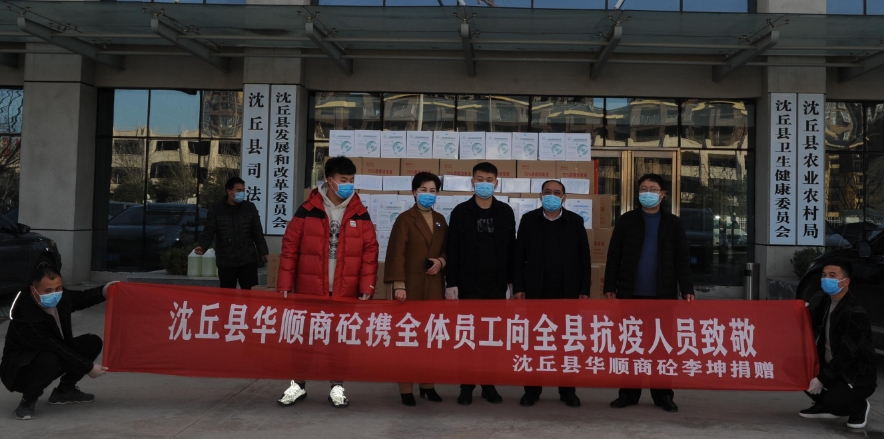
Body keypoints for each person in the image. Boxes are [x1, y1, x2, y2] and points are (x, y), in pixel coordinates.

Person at [275, 156, 379, 408]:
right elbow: (290, 247)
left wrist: (366, 286)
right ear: (329, 180)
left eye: (351, 180)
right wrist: (285, 283)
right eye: (344, 180)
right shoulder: (307, 209)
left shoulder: (360, 212)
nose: (348, 185)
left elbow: (370, 251)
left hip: (344, 289)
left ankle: (337, 386)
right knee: (302, 339)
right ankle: (297, 385)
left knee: (339, 341)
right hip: (310, 288)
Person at [604, 173, 694, 413]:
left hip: (662, 296)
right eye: (643, 189)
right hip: (630, 294)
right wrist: (610, 286)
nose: (647, 193)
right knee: (630, 346)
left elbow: (682, 259)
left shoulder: (673, 223)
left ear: (662, 194)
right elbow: (614, 256)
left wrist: (687, 288)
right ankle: (628, 394)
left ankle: (663, 395)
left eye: (652, 189)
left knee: (661, 348)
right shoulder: (626, 221)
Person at [1, 265, 118, 420]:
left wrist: (104, 291)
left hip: (52, 353)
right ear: (33, 290)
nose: (54, 294)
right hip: (20, 370)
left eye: (58, 288)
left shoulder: (61, 297)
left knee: (92, 342)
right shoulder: (26, 318)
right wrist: (88, 367)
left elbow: (80, 299)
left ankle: (64, 391)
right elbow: (56, 347)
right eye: (48, 291)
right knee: (50, 357)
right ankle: (28, 401)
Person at [512, 180, 591, 408]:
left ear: (564, 197)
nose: (552, 196)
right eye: (548, 192)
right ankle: (532, 390)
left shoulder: (575, 221)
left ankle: (567, 390)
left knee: (567, 342)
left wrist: (584, 290)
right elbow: (518, 257)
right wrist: (519, 287)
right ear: (540, 196)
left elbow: (584, 259)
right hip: (536, 292)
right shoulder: (529, 220)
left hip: (568, 292)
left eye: (557, 193)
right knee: (535, 341)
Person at [445, 161, 516, 406]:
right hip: (467, 286)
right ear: (472, 182)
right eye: (479, 179)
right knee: (468, 338)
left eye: (489, 180)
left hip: (496, 286)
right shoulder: (460, 212)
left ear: (497, 183)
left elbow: (512, 251)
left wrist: (512, 284)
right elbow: (452, 249)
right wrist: (451, 283)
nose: (484, 184)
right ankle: (466, 386)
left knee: (491, 338)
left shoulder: (505, 212)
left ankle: (488, 385)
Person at [384, 172, 448, 407]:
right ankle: (406, 388)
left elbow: (447, 248)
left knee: (430, 337)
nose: (428, 195)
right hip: (410, 287)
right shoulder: (405, 219)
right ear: (414, 192)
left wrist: (441, 261)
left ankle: (427, 385)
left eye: (432, 191)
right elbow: (396, 254)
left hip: (433, 285)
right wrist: (399, 285)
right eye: (423, 190)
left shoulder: (440, 220)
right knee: (408, 337)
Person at [799, 258, 876, 429]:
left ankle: (859, 406)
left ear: (845, 281)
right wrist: (801, 309)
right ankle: (824, 404)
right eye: (824, 275)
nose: (826, 279)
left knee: (835, 401)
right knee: (798, 369)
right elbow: (810, 320)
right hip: (831, 367)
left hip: (854, 374)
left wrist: (821, 379)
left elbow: (847, 354)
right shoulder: (825, 301)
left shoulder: (854, 312)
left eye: (832, 275)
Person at [195, 176, 269, 290]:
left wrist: (264, 252)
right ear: (229, 191)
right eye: (239, 191)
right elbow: (209, 231)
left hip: (247, 260)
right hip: (226, 261)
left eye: (243, 190)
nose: (242, 193)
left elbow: (258, 232)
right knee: (227, 295)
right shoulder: (216, 209)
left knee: (250, 294)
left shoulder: (249, 207)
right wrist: (202, 246)